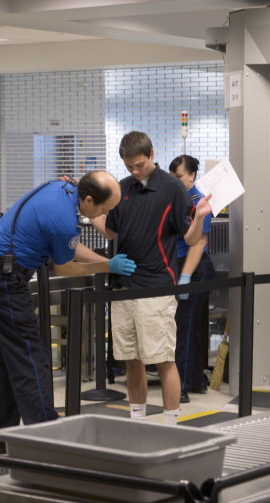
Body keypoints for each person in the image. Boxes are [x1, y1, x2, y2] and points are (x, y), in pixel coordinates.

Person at [0, 170, 136, 454]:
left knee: (6, 359)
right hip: (4, 278)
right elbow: (65, 266)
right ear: (87, 199)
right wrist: (107, 267)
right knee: (30, 358)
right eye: (104, 210)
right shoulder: (64, 221)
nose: (105, 216)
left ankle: (1, 437)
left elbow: (68, 248)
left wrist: (105, 260)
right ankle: (48, 439)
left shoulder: (62, 188)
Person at [92, 131, 211, 425]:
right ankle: (137, 420)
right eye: (129, 165)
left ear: (152, 155)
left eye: (140, 165)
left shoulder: (171, 188)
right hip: (124, 287)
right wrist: (89, 209)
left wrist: (198, 218)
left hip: (156, 287)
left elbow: (190, 237)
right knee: (132, 360)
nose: (134, 171)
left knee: (163, 359)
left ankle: (170, 423)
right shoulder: (122, 188)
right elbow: (110, 230)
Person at [169, 155, 215, 404]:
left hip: (194, 267)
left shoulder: (199, 202)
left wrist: (185, 276)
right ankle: (195, 378)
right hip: (179, 266)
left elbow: (199, 242)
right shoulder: (178, 199)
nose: (175, 181)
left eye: (178, 177)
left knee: (183, 326)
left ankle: (182, 384)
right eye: (172, 176)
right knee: (187, 325)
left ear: (192, 176)